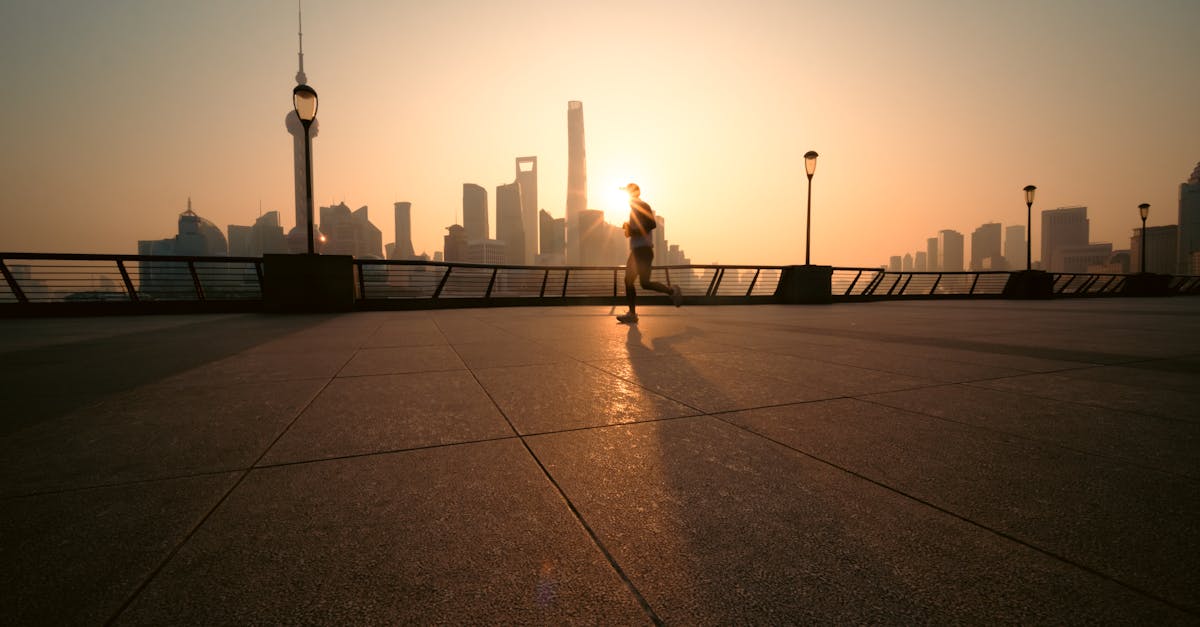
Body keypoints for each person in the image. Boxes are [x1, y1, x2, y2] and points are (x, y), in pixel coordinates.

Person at [617, 183, 682, 324]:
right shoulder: (634, 210)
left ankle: (670, 292)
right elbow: (638, 228)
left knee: (635, 282)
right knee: (640, 283)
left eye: (628, 193)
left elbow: (651, 224)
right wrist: (628, 227)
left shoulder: (642, 206)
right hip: (638, 250)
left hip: (643, 250)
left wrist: (632, 231)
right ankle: (670, 292)